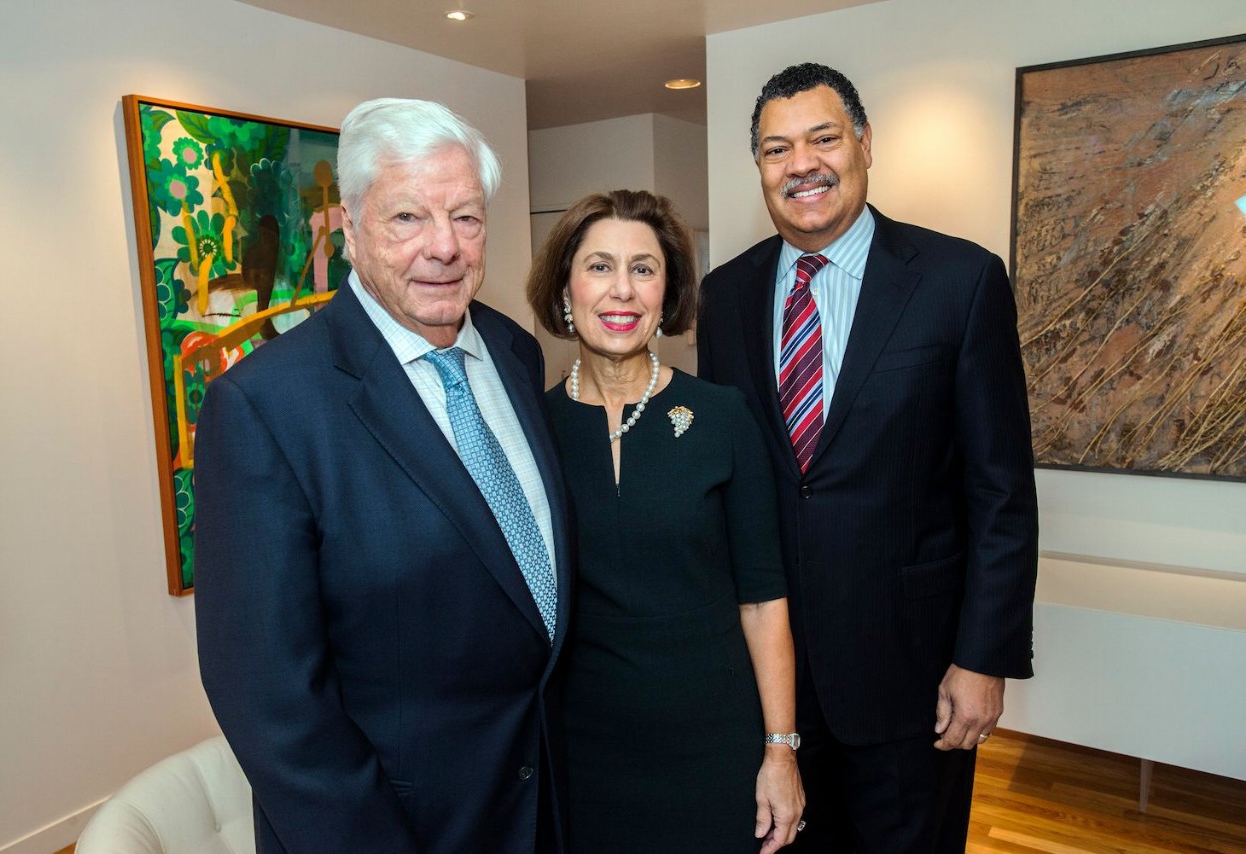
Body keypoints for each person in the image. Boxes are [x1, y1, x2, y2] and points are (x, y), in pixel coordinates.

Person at [195, 98, 572, 853]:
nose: (445, 247)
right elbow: (273, 706)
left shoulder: (513, 352)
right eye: (408, 218)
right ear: (350, 226)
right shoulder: (264, 406)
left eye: (466, 217)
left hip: (544, 810)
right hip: (397, 829)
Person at [697, 64, 1039, 853]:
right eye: (777, 149)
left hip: (914, 683)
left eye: (823, 138)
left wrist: (982, 659)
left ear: (865, 144)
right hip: (775, 691)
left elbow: (1002, 494)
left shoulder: (960, 282)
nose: (802, 164)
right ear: (760, 168)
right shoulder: (726, 297)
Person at [527, 189, 805, 854]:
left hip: (713, 745)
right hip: (581, 750)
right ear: (565, 288)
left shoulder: (722, 418)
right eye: (599, 267)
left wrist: (781, 751)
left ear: (667, 291)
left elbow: (765, 604)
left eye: (643, 269)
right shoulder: (530, 428)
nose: (621, 291)